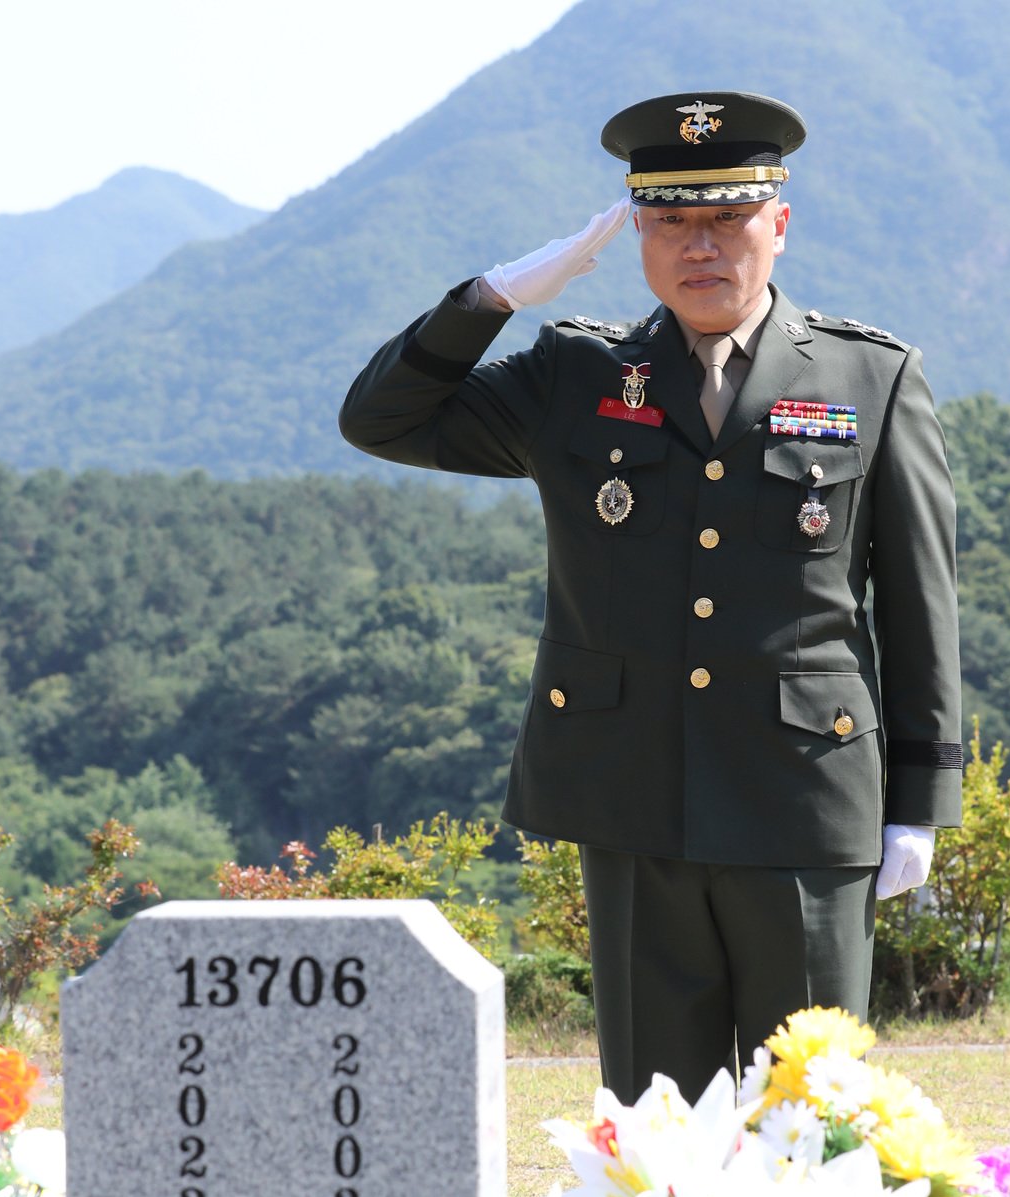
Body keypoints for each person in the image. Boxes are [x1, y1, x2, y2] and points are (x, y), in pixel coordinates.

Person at [340, 90, 961, 1104]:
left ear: (778, 224)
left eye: (725, 217)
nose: (699, 245)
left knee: (811, 1121)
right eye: (671, 220)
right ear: (636, 232)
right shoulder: (573, 373)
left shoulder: (867, 375)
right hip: (631, 796)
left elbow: (917, 607)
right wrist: (491, 298)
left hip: (805, 799)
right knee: (653, 1122)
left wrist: (919, 805)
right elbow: (380, 419)